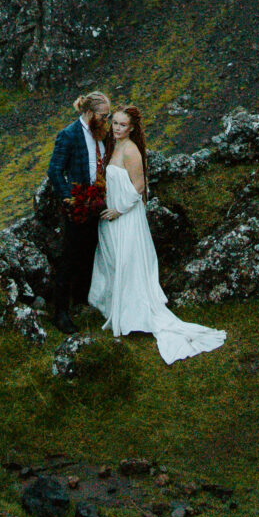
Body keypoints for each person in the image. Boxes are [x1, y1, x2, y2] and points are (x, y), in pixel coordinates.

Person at [87, 104, 226, 363]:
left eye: (122, 125)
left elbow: (139, 186)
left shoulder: (130, 150)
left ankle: (132, 315)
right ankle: (115, 310)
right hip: (111, 214)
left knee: (129, 263)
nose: (117, 128)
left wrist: (118, 210)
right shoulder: (112, 145)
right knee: (113, 261)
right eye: (114, 123)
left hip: (126, 216)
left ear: (131, 128)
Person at [38, 90, 112, 332]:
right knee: (69, 258)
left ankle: (82, 301)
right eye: (103, 115)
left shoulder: (101, 132)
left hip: (97, 204)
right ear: (89, 113)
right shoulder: (68, 135)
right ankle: (60, 313)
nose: (106, 120)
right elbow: (55, 170)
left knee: (89, 253)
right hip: (77, 206)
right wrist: (69, 198)